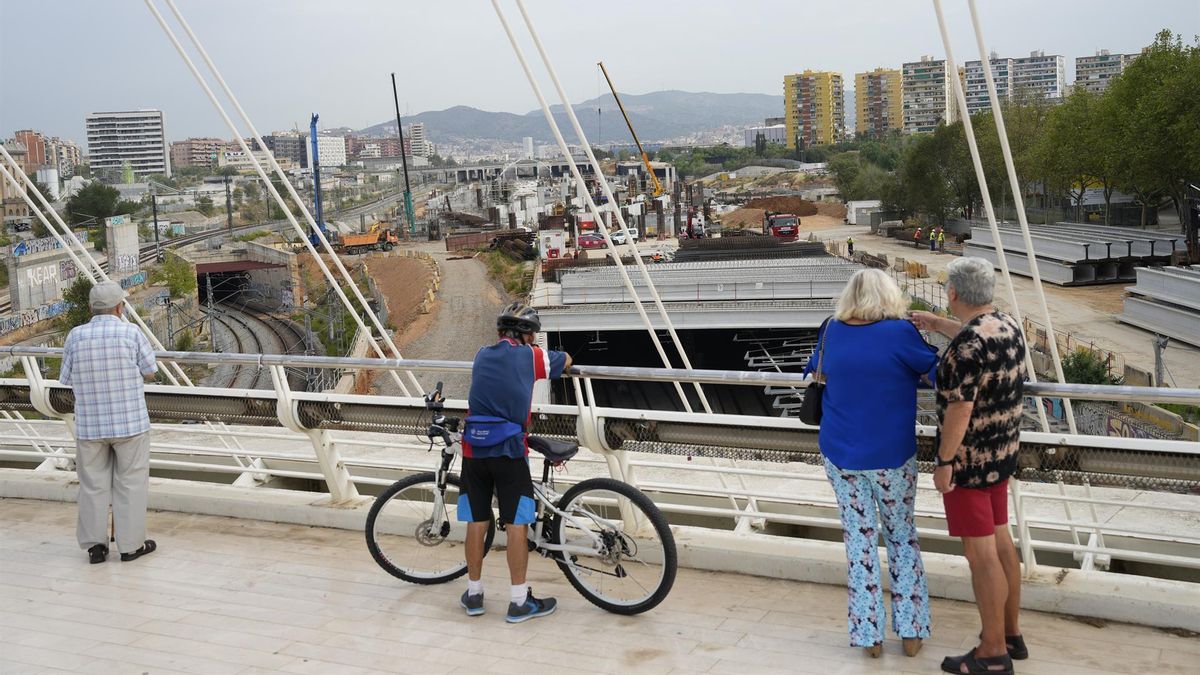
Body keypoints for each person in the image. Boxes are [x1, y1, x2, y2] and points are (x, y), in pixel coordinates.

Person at [803, 269, 938, 659]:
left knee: (859, 542)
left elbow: (814, 369)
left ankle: (869, 637)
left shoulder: (831, 330)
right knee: (900, 537)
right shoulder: (899, 333)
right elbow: (937, 371)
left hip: (840, 454)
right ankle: (911, 633)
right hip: (891, 457)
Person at [911, 257, 1029, 675]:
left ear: (954, 293)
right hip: (1002, 457)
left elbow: (959, 409)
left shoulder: (966, 347)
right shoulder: (1007, 325)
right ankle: (1011, 634)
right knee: (1001, 545)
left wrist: (944, 463)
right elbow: (974, 338)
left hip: (970, 466)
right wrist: (936, 322)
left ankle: (992, 652)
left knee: (981, 558)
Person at [459, 302, 572, 623]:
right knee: (516, 524)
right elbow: (565, 361)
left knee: (477, 522)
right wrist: (542, 352)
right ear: (526, 335)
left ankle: (475, 594)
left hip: (473, 449)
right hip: (509, 451)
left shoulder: (481, 354)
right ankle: (519, 601)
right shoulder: (530, 356)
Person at [59, 281, 159, 564]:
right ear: (120, 307)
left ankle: (95, 547)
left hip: (90, 425)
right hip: (130, 424)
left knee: (92, 485)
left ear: (92, 308)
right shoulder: (131, 333)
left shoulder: (75, 336)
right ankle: (130, 547)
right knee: (130, 484)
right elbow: (150, 371)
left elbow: (65, 379)